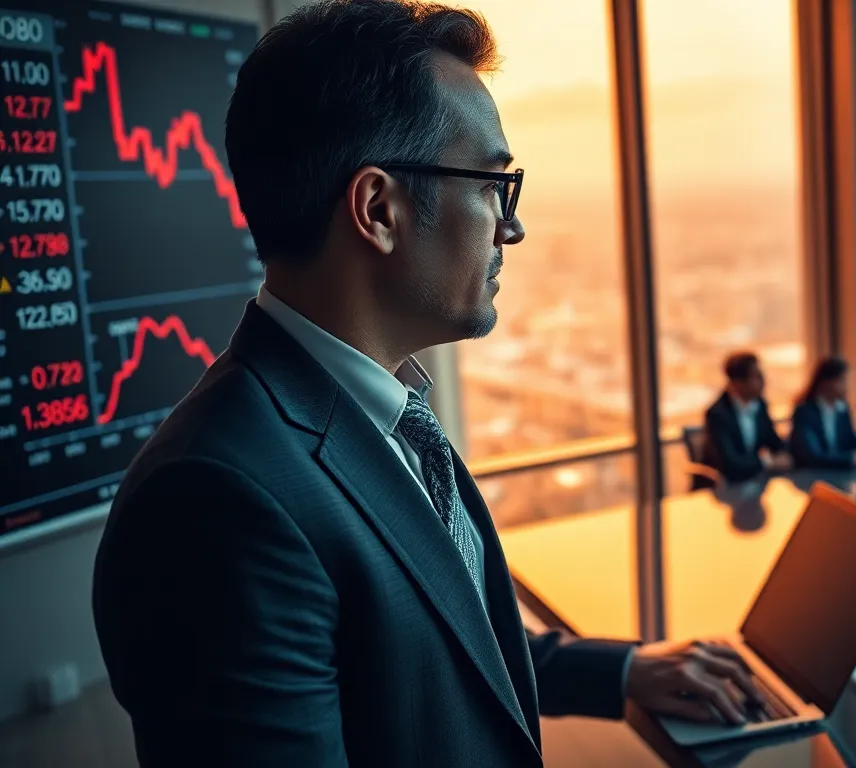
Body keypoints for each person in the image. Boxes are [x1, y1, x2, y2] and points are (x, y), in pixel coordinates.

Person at [91, 4, 757, 765]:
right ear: (378, 209)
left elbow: (435, 637)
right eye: (491, 185)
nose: (512, 229)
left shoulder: (383, 415)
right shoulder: (215, 502)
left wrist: (628, 670)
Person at [702, 351, 792, 483]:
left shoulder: (760, 405)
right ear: (738, 383)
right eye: (756, 376)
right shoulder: (717, 414)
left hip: (754, 481)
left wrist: (787, 455)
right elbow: (730, 463)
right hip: (724, 487)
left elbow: (774, 442)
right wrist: (767, 463)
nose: (763, 381)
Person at [789, 356, 856, 469]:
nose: (847, 386)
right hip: (811, 476)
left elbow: (850, 441)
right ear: (826, 383)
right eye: (842, 380)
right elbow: (811, 456)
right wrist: (851, 459)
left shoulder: (842, 410)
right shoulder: (805, 412)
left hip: (839, 474)